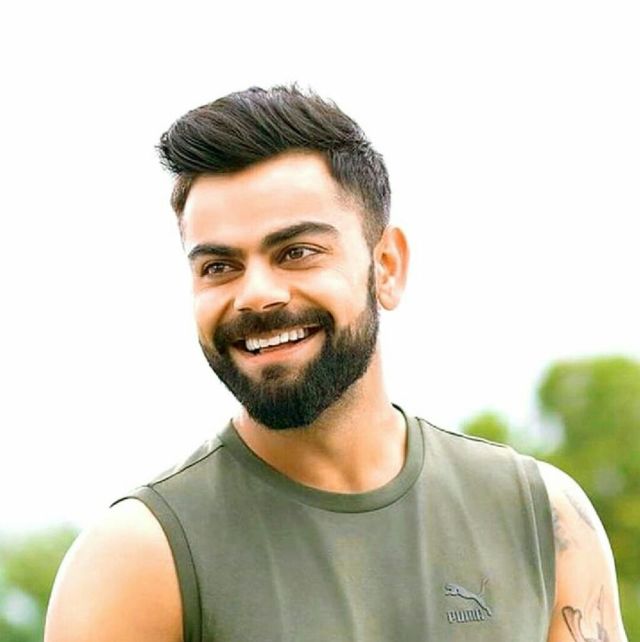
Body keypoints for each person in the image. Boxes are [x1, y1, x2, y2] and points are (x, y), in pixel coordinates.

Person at [45, 86, 628, 642]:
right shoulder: (137, 561)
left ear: (387, 267)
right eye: (219, 267)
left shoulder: (541, 518)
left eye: (296, 252)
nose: (256, 295)